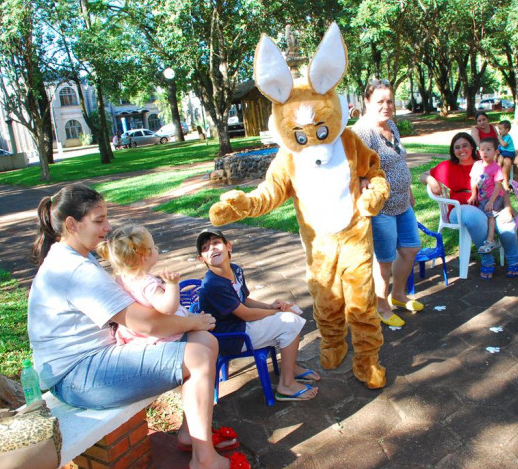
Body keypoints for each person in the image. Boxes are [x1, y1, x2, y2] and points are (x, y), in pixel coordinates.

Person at [27, 184, 249, 469]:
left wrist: (193, 325)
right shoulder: (74, 269)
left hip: (88, 366)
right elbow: (146, 323)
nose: (108, 227)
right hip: (78, 377)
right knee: (198, 354)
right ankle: (204, 459)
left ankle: (190, 436)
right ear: (71, 224)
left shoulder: (75, 257)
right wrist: (193, 321)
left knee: (206, 342)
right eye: (99, 220)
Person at [196, 228, 320, 402]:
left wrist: (271, 306)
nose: (212, 249)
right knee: (290, 321)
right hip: (230, 337)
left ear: (228, 246)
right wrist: (277, 311)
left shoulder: (235, 269)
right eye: (205, 248)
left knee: (294, 311)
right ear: (201, 259)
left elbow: (244, 300)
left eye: (216, 243)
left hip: (240, 324)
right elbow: (246, 315)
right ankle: (286, 384)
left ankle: (290, 367)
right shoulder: (213, 285)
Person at [352, 79, 423, 328]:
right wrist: (362, 182)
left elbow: (399, 161)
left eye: (390, 101)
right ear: (367, 102)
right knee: (384, 259)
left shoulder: (391, 125)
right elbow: (355, 168)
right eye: (380, 101)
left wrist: (408, 189)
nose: (386, 106)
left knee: (411, 248)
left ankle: (399, 295)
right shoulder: (362, 132)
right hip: (381, 208)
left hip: (403, 202)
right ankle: (381, 307)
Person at [421, 133, 518, 279]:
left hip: (488, 205)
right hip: (459, 209)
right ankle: (487, 260)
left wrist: (507, 207)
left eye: (465, 146)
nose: (461, 150)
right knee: (473, 216)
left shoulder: (485, 164)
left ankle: (513, 261)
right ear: (453, 150)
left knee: (506, 222)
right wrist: (431, 179)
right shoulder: (448, 166)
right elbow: (423, 175)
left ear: (473, 147)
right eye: (457, 147)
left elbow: (499, 187)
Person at [96, 224, 188, 345]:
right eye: (153, 247)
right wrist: (172, 285)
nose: (156, 248)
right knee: (204, 338)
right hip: (160, 338)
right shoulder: (148, 284)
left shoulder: (121, 279)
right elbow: (168, 308)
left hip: (134, 336)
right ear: (145, 258)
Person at [469, 137, 505, 254]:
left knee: (490, 215)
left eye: (488, 149)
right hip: (482, 198)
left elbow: (498, 186)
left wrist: (491, 201)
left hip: (495, 197)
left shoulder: (496, 167)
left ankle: (490, 240)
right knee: (480, 216)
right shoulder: (477, 165)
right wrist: (474, 194)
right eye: (482, 149)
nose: (485, 152)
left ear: (496, 151)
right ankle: (481, 239)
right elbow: (473, 180)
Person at [496, 120, 518, 191]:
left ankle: (498, 166)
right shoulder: (503, 136)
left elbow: (504, 145)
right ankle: (505, 183)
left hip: (509, 152)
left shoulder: (507, 137)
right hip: (505, 151)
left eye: (500, 129)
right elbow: (500, 146)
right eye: (498, 129)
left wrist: (499, 139)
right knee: (501, 156)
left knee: (501, 156)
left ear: (507, 130)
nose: (499, 131)